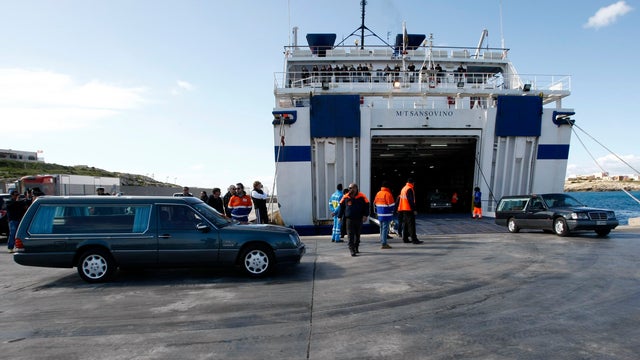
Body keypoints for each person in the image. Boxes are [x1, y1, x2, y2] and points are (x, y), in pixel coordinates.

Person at [338, 183, 370, 257]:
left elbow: (366, 206)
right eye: (349, 188)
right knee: (350, 235)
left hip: (359, 219)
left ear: (356, 188)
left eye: (351, 188)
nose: (350, 190)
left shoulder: (362, 196)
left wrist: (365, 215)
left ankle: (356, 247)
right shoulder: (345, 197)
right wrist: (339, 217)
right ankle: (352, 250)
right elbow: (341, 207)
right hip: (349, 219)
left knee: (357, 235)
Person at [398, 178, 423, 244]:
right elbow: (410, 200)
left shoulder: (404, 188)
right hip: (408, 209)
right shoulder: (409, 189)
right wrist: (414, 209)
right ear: (412, 183)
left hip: (403, 208)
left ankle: (405, 238)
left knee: (406, 224)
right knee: (411, 224)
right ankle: (414, 239)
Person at [374, 181, 395, 249]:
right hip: (386, 214)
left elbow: (375, 202)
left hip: (379, 213)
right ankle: (384, 243)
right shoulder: (388, 194)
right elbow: (391, 205)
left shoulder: (378, 193)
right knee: (385, 228)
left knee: (381, 227)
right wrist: (392, 211)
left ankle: (382, 240)